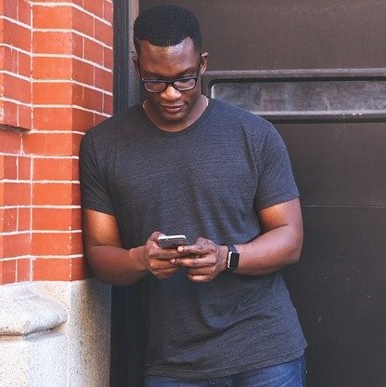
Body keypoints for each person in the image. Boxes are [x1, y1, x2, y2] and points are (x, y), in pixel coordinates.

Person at [79, 4, 307, 386]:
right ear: (136, 66)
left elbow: (290, 238)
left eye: (184, 79)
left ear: (202, 64)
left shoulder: (253, 135)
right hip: (174, 364)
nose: (170, 93)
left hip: (266, 351)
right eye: (155, 80)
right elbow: (101, 256)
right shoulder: (104, 146)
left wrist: (225, 257)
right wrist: (140, 259)